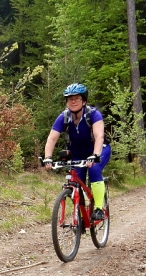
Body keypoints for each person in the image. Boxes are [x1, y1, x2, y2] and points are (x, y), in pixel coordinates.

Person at [43, 83, 111, 221]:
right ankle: (79, 217)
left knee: (94, 170)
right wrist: (48, 158)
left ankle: (98, 208)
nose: (73, 102)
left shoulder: (93, 114)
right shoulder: (64, 117)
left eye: (76, 98)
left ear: (84, 101)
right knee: (75, 181)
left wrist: (95, 155)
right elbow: (52, 138)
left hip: (99, 150)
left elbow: (99, 136)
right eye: (70, 99)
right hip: (78, 154)